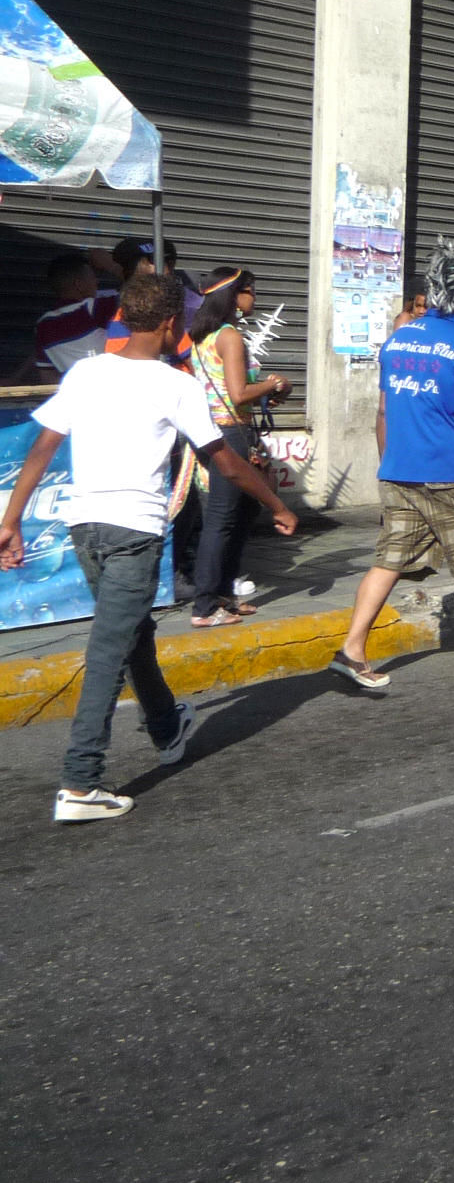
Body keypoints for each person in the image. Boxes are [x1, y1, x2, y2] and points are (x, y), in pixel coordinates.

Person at [0, 273, 296, 823]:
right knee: (110, 651)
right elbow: (223, 459)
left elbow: (43, 446)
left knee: (130, 632)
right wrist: (276, 505)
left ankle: (165, 724)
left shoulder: (87, 371)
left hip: (84, 529)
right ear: (168, 324)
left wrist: (11, 518)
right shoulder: (174, 383)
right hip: (133, 533)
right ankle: (81, 782)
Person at [332, 238, 454, 686]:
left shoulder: (397, 342)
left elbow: (382, 411)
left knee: (388, 561)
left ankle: (352, 648)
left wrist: (388, 465)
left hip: (398, 471)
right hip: (453, 475)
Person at [187, 268, 295, 626]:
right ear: (235, 295)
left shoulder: (202, 337)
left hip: (222, 429)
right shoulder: (230, 336)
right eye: (251, 291)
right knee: (222, 517)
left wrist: (262, 394)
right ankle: (204, 606)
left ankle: (224, 597)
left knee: (239, 515)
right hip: (230, 432)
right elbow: (237, 394)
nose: (254, 298)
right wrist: (272, 383)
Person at [24, 252, 122, 380]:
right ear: (79, 285)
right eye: (92, 278)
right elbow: (143, 292)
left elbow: (47, 375)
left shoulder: (43, 325)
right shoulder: (91, 309)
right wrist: (111, 266)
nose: (96, 282)